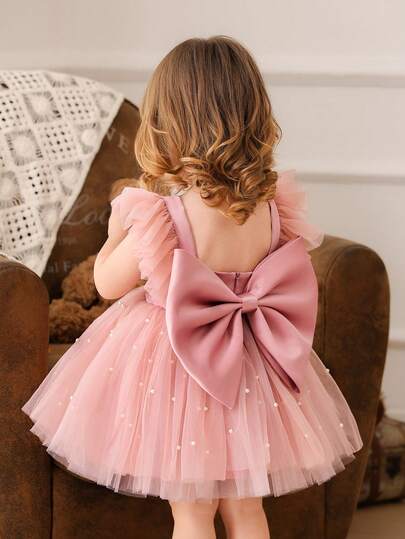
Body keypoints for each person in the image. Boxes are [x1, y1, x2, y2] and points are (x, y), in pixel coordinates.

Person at [21, 36, 363, 539]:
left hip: (177, 365)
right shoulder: (272, 207)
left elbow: (107, 284)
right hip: (251, 363)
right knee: (246, 510)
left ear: (169, 121)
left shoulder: (163, 213)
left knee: (192, 514)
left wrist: (116, 232)